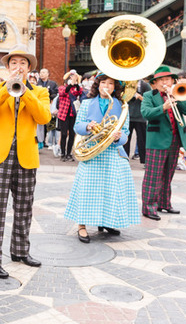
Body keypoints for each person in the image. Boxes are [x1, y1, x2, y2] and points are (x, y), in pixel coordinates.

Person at [0, 47, 51, 279]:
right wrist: (6, 88)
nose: (18, 67)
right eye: (13, 64)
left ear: (29, 69)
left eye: (22, 63)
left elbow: (44, 117)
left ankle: (20, 251)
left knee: (24, 207)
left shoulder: (39, 91)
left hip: (26, 154)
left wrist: (26, 91)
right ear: (7, 68)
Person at [64, 73, 140, 243]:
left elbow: (126, 134)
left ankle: (106, 222)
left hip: (113, 153)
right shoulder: (87, 103)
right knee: (87, 189)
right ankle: (82, 226)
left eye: (111, 83)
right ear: (97, 85)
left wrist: (119, 136)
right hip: (92, 151)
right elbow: (77, 126)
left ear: (115, 87)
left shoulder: (122, 105)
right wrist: (88, 126)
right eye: (103, 82)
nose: (107, 86)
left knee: (111, 189)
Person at [140, 66, 186, 220]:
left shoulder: (178, 93)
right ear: (155, 82)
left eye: (168, 79)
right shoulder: (149, 95)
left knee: (168, 174)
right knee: (153, 176)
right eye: (162, 80)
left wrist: (176, 97)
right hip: (156, 141)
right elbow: (146, 113)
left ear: (172, 81)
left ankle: (164, 203)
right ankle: (148, 208)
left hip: (175, 140)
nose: (165, 82)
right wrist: (162, 107)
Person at [123, 79, 152, 165]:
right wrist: (131, 96)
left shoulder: (145, 85)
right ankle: (124, 159)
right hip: (128, 116)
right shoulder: (126, 84)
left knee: (142, 139)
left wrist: (140, 97)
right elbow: (122, 98)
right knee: (125, 140)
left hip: (141, 116)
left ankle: (144, 160)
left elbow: (149, 100)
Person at [57, 70, 83, 162]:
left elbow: (80, 92)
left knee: (72, 135)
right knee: (64, 134)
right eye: (71, 78)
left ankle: (69, 154)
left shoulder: (75, 89)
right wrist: (71, 83)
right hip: (63, 114)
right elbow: (64, 92)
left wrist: (77, 83)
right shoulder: (62, 87)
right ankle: (63, 154)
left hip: (72, 114)